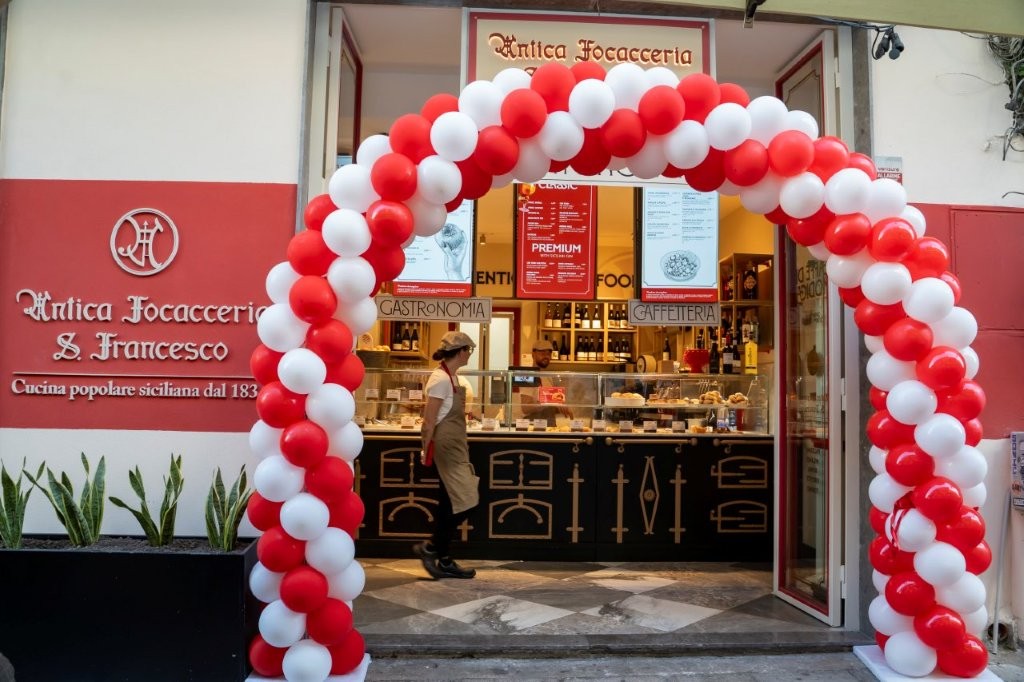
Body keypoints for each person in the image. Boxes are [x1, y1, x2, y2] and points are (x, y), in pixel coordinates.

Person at [414, 331, 479, 579]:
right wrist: (425, 449)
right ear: (460, 352)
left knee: (450, 501)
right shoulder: (441, 379)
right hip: (447, 447)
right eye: (468, 350)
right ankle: (433, 548)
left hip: (454, 444)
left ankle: (442, 558)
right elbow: (429, 421)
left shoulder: (451, 377)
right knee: (467, 499)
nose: (469, 354)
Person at [519, 339, 573, 422]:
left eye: (548, 353)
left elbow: (548, 406)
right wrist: (551, 400)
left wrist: (561, 408)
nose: (546, 356)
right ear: (533, 354)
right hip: (534, 425)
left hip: (549, 425)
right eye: (542, 353)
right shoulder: (527, 376)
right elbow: (525, 408)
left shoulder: (548, 377)